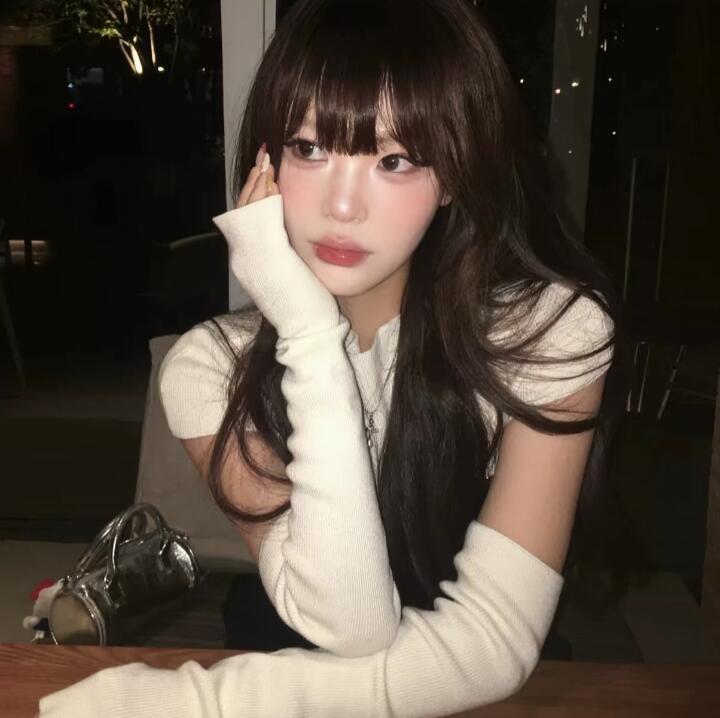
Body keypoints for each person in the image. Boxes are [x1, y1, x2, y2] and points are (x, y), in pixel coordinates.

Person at [37, 0, 626, 715]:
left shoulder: (548, 334)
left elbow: (491, 645)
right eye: (310, 149)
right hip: (291, 650)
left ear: (454, 175)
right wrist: (310, 335)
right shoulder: (208, 369)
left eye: (394, 160)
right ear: (266, 161)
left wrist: (196, 704)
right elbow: (350, 627)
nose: (342, 207)